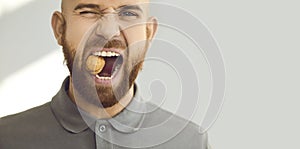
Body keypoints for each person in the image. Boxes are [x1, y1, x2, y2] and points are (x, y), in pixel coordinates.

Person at [0, 0, 209, 148]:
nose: (108, 31)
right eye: (89, 11)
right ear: (59, 29)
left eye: (128, 13)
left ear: (148, 33)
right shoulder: (7, 138)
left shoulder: (190, 141)